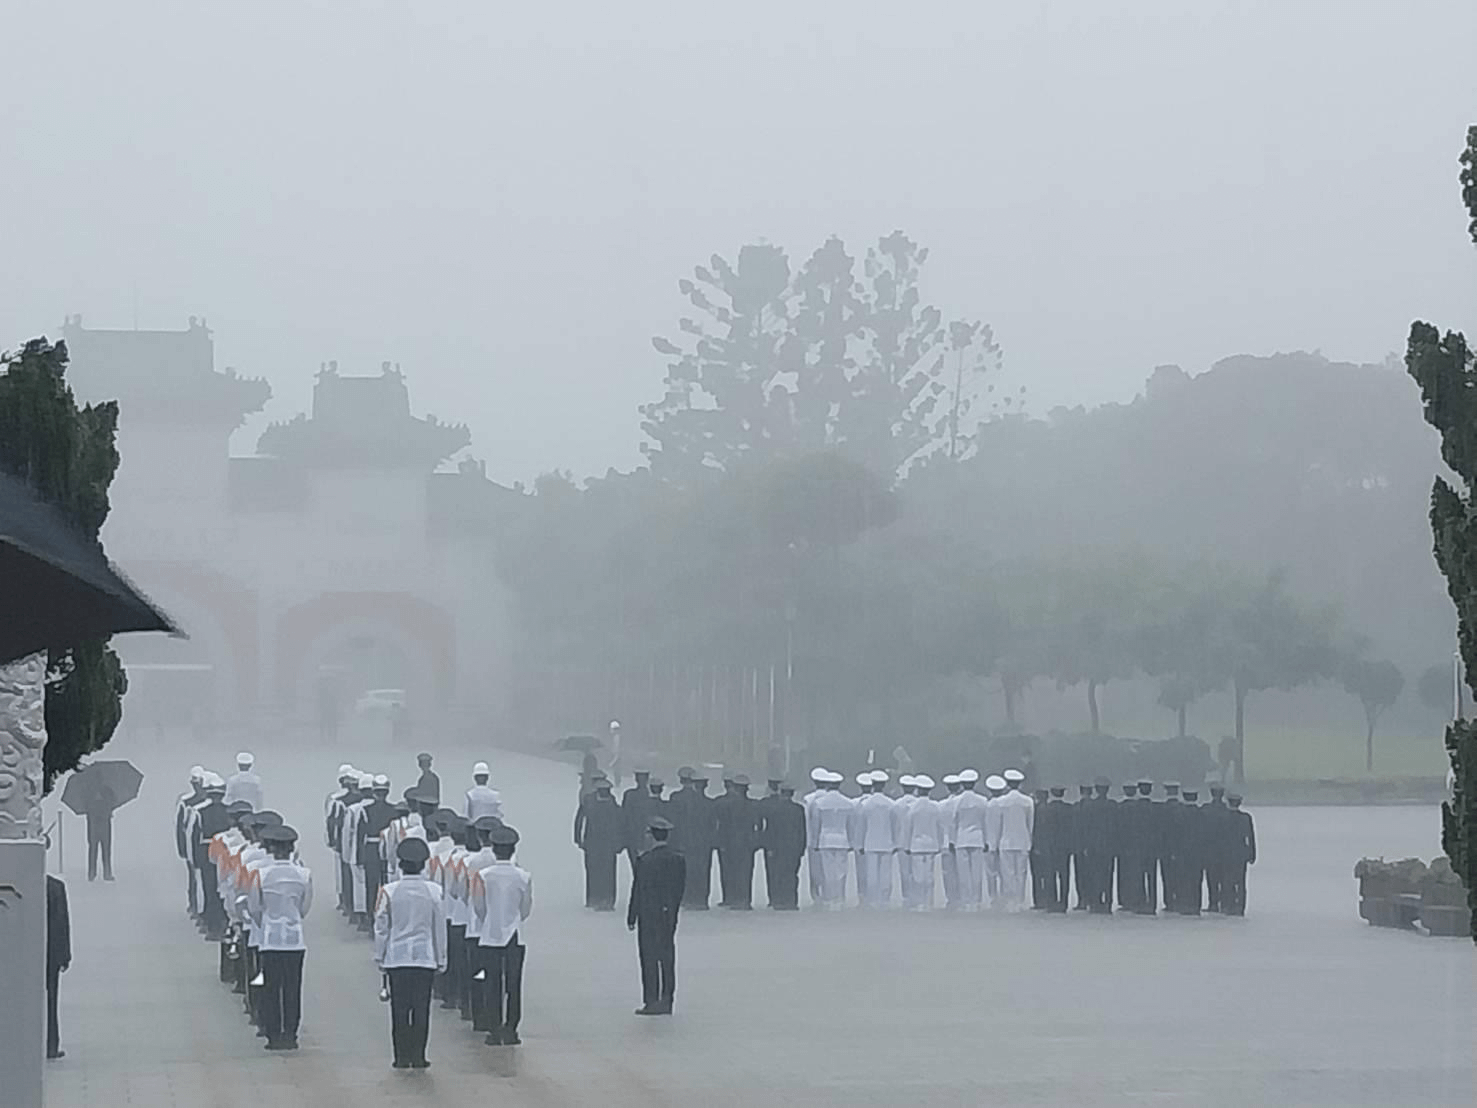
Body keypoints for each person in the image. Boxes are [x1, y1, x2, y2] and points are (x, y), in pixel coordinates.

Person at [374, 836, 448, 1069]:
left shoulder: (388, 891)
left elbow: (381, 927)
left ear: (400, 863)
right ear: (424, 863)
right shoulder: (434, 891)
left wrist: (380, 956)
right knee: (421, 1008)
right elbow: (439, 927)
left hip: (397, 957)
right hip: (425, 957)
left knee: (399, 1009)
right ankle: (418, 1056)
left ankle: (400, 1056)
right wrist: (441, 957)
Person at [248, 825, 312, 1051]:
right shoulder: (304, 874)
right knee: (293, 988)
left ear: (271, 848)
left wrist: (266, 921)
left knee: (271, 988)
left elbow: (254, 907)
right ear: (292, 848)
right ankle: (291, 1034)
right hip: (295, 939)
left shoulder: (261, 874)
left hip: (269, 938)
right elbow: (304, 908)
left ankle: (274, 1035)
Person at [470, 825, 532, 1046]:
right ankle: (512, 1028)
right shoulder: (524, 876)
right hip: (515, 935)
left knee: (492, 982)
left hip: (490, 934)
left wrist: (491, 919)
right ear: (513, 849)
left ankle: (494, 1028)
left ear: (494, 849)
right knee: (513, 984)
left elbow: (478, 907)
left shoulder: (483, 876)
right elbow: (526, 909)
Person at [628, 816, 685, 1015]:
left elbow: (638, 890)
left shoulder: (645, 860)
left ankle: (651, 1000)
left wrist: (632, 915)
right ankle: (667, 999)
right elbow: (679, 890)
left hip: (648, 916)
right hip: (668, 916)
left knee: (649, 958)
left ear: (652, 836)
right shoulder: (678, 859)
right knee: (667, 957)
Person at [191, 775, 232, 940]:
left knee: (210, 889)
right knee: (225, 890)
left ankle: (213, 926)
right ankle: (223, 922)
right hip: (226, 853)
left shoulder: (200, 811)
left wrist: (196, 860)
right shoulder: (229, 811)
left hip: (207, 852)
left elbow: (195, 837)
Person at [574, 775, 623, 910]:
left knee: (606, 871)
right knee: (595, 870)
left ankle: (606, 899)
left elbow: (620, 824)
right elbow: (579, 819)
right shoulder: (591, 802)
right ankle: (595, 898)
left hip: (604, 843)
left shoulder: (609, 803)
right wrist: (578, 838)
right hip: (595, 843)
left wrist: (619, 843)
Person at [669, 769, 715, 909]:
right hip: (704, 842)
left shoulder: (679, 799)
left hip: (687, 841)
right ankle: (701, 899)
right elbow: (712, 824)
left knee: (687, 871)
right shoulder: (709, 803)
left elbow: (676, 822)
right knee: (703, 870)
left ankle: (689, 897)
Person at [989, 769, 1034, 912]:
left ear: (1007, 785)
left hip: (1006, 841)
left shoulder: (1000, 802)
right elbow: (1030, 823)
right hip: (1023, 841)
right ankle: (1020, 901)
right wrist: (1029, 839)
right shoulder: (1028, 801)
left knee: (1007, 873)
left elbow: (997, 825)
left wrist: (994, 844)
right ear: (1020, 785)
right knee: (1021, 872)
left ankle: (1010, 901)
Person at [852, 770, 896, 909]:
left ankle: (871, 900)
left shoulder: (866, 804)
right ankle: (884, 900)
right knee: (886, 874)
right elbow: (895, 825)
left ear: (872, 785)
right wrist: (895, 842)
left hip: (870, 842)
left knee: (871, 874)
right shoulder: (891, 804)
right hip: (887, 842)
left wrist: (858, 844)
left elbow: (861, 826)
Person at [715, 774, 760, 909]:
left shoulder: (725, 805)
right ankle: (745, 899)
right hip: (747, 843)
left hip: (730, 842)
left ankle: (733, 898)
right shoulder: (753, 805)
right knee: (746, 872)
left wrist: (720, 842)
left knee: (731, 871)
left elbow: (721, 825)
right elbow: (757, 825)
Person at [760, 782, 806, 909]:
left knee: (777, 874)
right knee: (792, 874)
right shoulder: (799, 809)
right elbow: (802, 831)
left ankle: (778, 900)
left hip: (777, 847)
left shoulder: (774, 809)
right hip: (793, 848)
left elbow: (770, 830)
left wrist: (768, 847)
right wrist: (801, 849)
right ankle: (791, 901)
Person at [901, 775, 944, 911]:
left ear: (918, 790)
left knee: (918, 875)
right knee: (929, 875)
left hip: (916, 845)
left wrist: (906, 846)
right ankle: (928, 901)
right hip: (931, 844)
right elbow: (940, 828)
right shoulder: (935, 807)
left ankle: (919, 902)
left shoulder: (912, 808)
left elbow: (908, 829)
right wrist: (940, 844)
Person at [950, 770, 988, 911]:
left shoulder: (956, 801)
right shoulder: (983, 801)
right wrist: (986, 839)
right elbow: (986, 821)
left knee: (963, 872)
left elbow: (953, 822)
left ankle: (966, 901)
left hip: (961, 838)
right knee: (977, 871)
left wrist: (952, 841)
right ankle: (976, 901)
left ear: (961, 784)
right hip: (978, 838)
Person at [46, 872, 70, 1060]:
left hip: (38, 953)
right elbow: (62, 923)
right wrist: (64, 955)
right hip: (52, 955)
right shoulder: (55, 887)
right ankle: (51, 1044)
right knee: (51, 1000)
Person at [176, 767, 206, 912]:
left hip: (201, 843)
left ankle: (201, 906)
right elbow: (179, 826)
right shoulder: (185, 801)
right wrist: (182, 848)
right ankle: (193, 903)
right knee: (193, 876)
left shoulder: (207, 802)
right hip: (189, 843)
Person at [1222, 793, 1255, 916]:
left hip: (1226, 854)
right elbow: (1250, 838)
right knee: (1240, 881)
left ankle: (1228, 904)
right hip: (1241, 854)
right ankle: (1240, 906)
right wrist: (1252, 854)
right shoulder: (1246, 818)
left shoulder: (1224, 817)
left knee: (1227, 880)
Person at [621, 768, 655, 878]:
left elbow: (624, 817)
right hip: (649, 837)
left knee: (637, 870)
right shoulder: (652, 797)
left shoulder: (630, 795)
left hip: (633, 837)